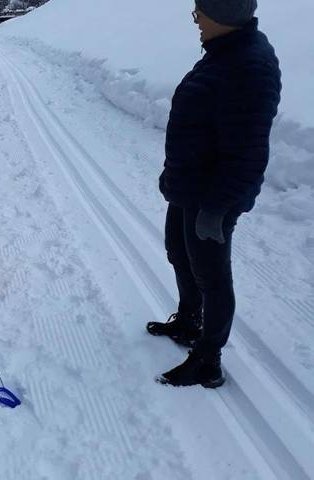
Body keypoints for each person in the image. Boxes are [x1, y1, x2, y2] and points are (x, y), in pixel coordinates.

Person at [150, 0, 281, 388]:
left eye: (200, 12)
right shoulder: (226, 50)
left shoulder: (249, 66)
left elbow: (247, 154)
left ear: (226, 15)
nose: (196, 20)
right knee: (179, 251)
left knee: (212, 275)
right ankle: (190, 321)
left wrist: (219, 208)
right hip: (190, 185)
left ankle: (209, 358)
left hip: (212, 195)